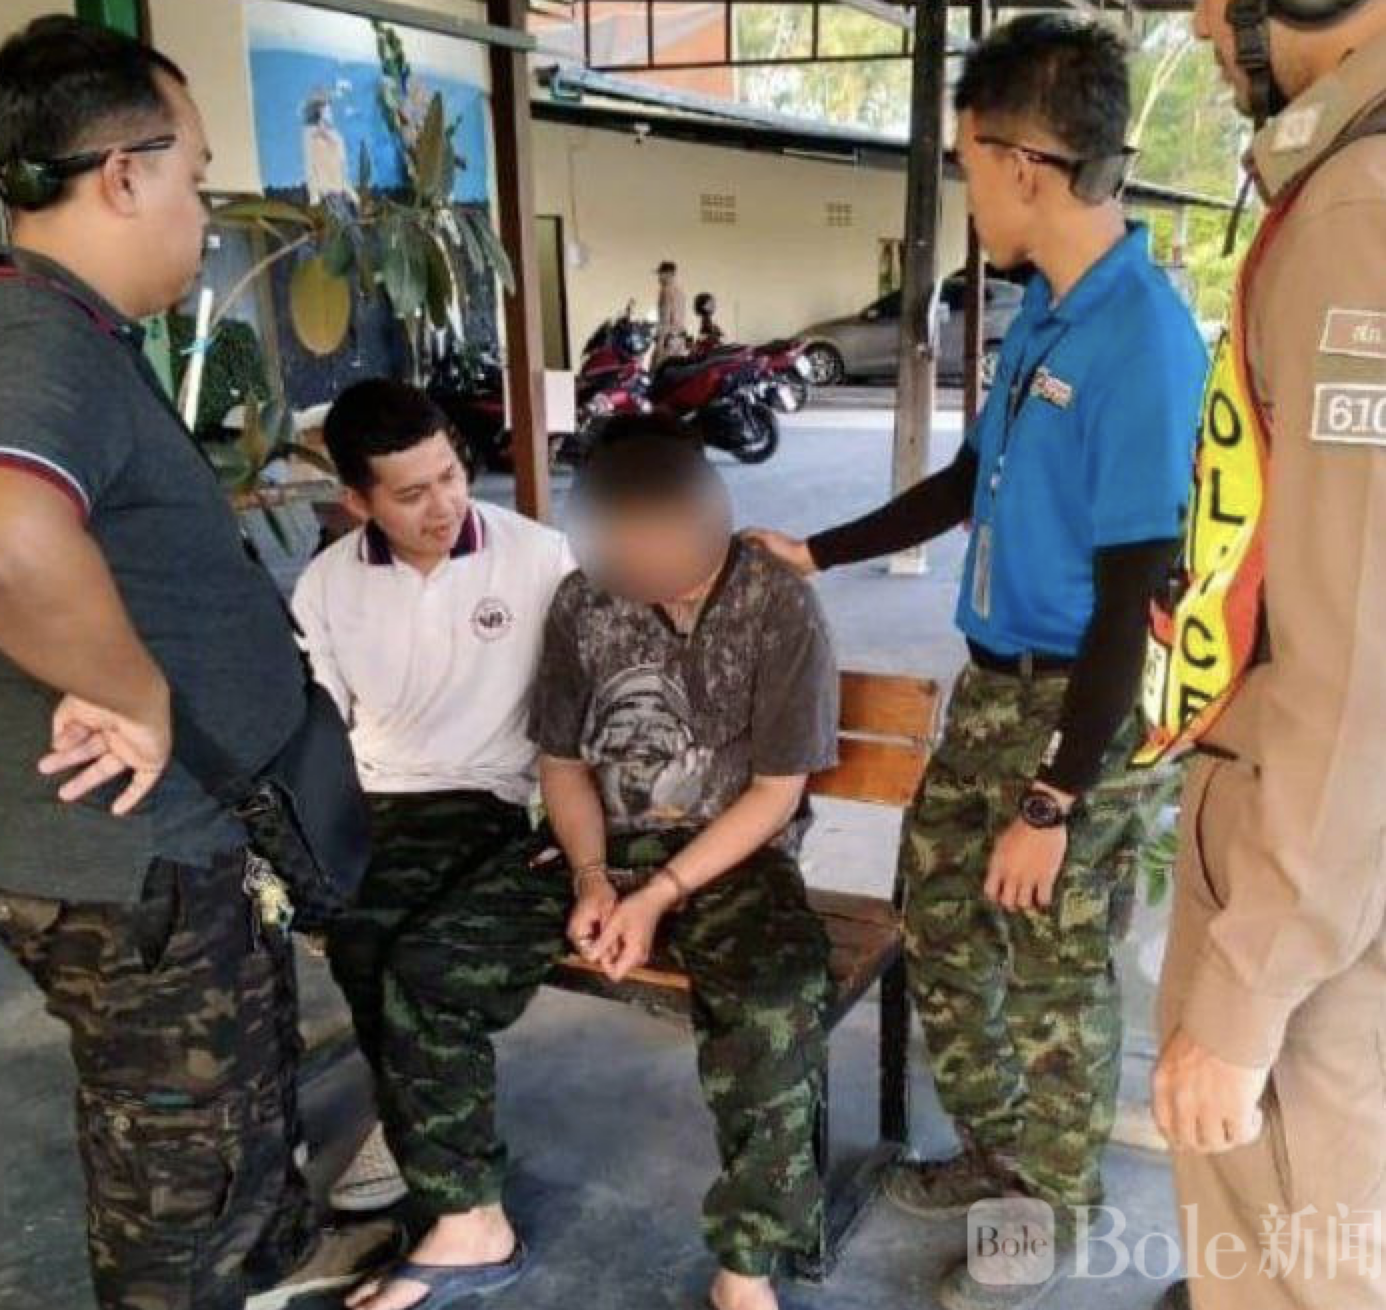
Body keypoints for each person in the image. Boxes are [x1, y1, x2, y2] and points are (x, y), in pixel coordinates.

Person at [750, 15, 1207, 1310]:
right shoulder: (1045, 312)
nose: (967, 193)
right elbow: (967, 482)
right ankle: (1004, 1146)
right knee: (941, 918)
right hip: (993, 685)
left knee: (1054, 969)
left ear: (1022, 163)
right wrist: (815, 549)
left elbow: (1132, 591)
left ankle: (1050, 1202)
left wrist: (1053, 801)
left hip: (1080, 706)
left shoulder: (1142, 339)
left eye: (966, 166)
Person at [0, 16, 396, 1310]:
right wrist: (135, 694)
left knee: (234, 1093)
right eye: (197, 173)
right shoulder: (34, 340)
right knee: (177, 1159)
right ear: (122, 175)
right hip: (137, 854)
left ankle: (275, 1252)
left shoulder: (65, 331)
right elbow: (10, 530)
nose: (203, 208)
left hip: (180, 844)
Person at [345, 413, 840, 1310]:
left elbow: (776, 793)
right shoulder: (585, 599)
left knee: (774, 1003)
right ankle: (469, 1221)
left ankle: (747, 1264)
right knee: (425, 967)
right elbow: (563, 763)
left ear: (702, 514)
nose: (637, 558)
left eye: (655, 535)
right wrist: (591, 878)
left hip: (734, 855)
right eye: (621, 535)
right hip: (596, 847)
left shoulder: (776, 604)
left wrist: (656, 895)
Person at [1143, 0, 1386, 1306]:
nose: (1197, 18)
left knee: (1294, 1268)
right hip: (1340, 871)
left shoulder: (1358, 212)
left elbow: (1357, 682)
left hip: (1323, 920)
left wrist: (1242, 1001)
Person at [290, 378, 574, 1216]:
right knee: (353, 934)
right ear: (357, 500)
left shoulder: (538, 558)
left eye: (450, 474)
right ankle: (407, 1110)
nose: (444, 504)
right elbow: (322, 723)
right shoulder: (328, 584)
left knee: (394, 942)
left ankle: (413, 1122)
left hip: (486, 795)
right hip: (374, 796)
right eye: (411, 494)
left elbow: (585, 700)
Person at [653, 258, 689, 366]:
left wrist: (659, 346)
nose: (659, 278)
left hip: (668, 341)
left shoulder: (665, 291)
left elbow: (665, 320)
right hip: (680, 340)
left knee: (657, 371)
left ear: (669, 274)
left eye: (661, 274)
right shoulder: (680, 292)